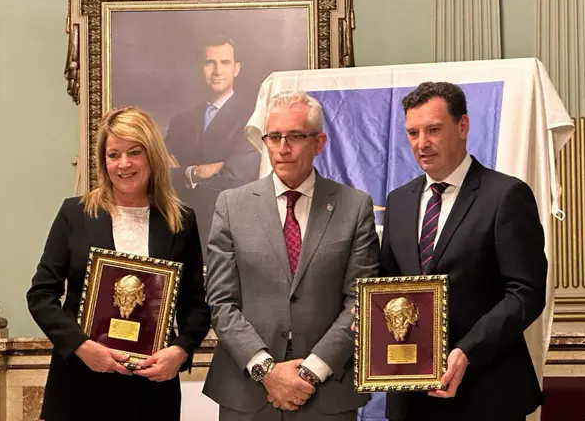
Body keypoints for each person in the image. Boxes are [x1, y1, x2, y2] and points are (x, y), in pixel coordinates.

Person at [202, 91, 379, 420]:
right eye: (274, 137)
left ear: (319, 142)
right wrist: (266, 371)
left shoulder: (355, 207)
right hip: (248, 393)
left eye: (295, 136)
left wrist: (311, 372)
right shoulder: (232, 205)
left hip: (326, 392)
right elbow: (221, 302)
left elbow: (360, 302)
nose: (283, 148)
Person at [26, 106, 211, 421]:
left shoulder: (180, 222)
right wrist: (83, 347)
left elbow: (196, 306)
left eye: (134, 152)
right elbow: (41, 295)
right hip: (79, 384)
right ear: (103, 161)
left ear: (151, 156)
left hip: (151, 390)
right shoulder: (75, 214)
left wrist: (179, 352)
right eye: (114, 155)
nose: (123, 164)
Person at [380, 82, 547, 421]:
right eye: (413, 132)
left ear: (463, 126)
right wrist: (370, 318)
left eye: (434, 130)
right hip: (413, 398)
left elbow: (525, 293)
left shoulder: (505, 195)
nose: (421, 143)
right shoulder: (398, 201)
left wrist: (467, 351)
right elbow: (389, 284)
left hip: (486, 391)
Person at [164, 34, 260, 258]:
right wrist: (196, 172)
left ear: (236, 68)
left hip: (229, 237)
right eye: (210, 62)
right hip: (180, 234)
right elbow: (161, 175)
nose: (217, 70)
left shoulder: (253, 116)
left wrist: (183, 176)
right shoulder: (181, 121)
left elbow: (235, 180)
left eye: (225, 62)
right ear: (200, 68)